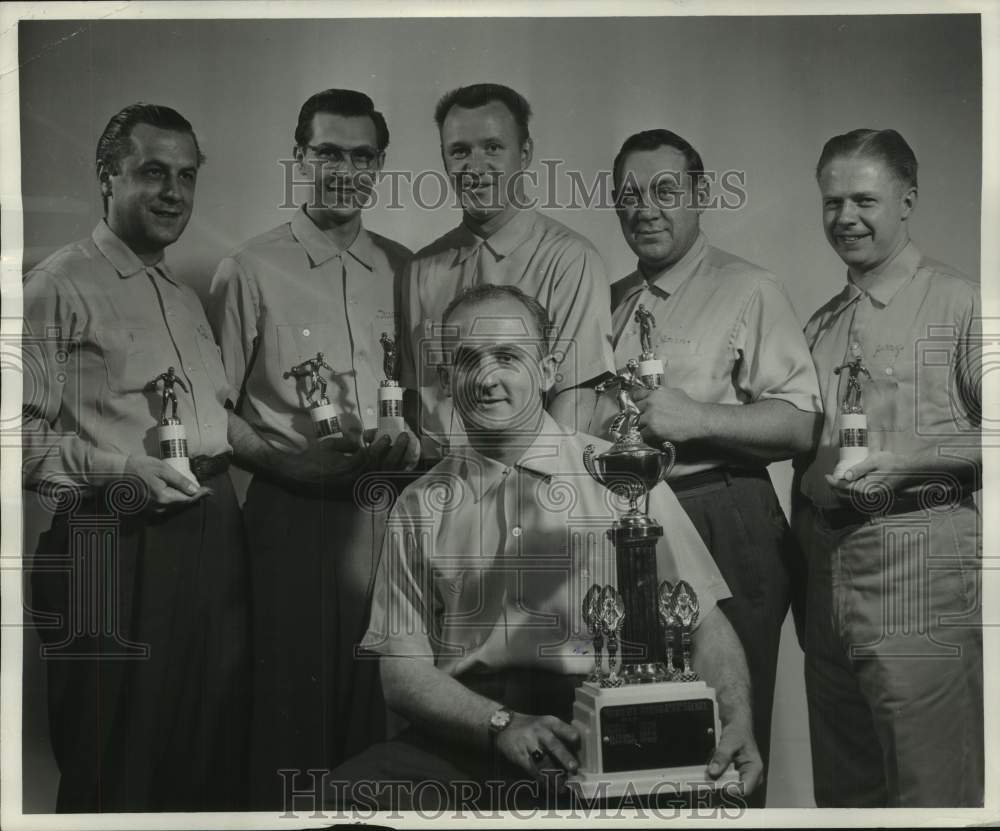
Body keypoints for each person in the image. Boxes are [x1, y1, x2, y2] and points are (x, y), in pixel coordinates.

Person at [327, 284, 763, 811]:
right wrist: (500, 725)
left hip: (603, 726)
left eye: (509, 357)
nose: (487, 378)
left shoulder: (622, 476)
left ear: (549, 369)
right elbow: (403, 675)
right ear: (445, 379)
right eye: (467, 361)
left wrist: (737, 719)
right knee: (342, 804)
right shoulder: (420, 505)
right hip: (473, 730)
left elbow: (706, 626)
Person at [22, 103, 250, 811]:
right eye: (153, 171)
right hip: (105, 541)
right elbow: (11, 436)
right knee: (111, 760)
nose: (173, 192)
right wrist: (122, 471)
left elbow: (218, 424)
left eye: (185, 175)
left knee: (204, 750)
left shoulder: (182, 297)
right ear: (106, 177)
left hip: (207, 536)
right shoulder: (58, 285)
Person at [589, 129, 822, 805]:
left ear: (700, 195)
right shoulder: (607, 303)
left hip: (724, 513)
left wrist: (701, 418)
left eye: (665, 190)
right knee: (640, 731)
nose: (646, 209)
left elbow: (802, 421)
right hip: (632, 529)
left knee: (726, 726)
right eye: (629, 195)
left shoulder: (748, 288)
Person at [208, 88, 418, 809]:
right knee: (288, 717)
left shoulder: (407, 269)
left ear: (381, 165)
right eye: (328, 151)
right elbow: (212, 414)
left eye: (362, 156)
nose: (344, 169)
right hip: (291, 515)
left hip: (389, 512)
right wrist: (291, 462)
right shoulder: (250, 269)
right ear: (300, 156)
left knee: (385, 707)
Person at [795, 128, 982, 807]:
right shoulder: (819, 325)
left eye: (865, 200)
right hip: (831, 575)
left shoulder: (961, 303)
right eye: (832, 201)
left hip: (919, 569)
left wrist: (909, 463)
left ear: (908, 201)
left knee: (930, 791)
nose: (846, 218)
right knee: (845, 793)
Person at [396, 83, 614, 458]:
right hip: (441, 484)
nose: (476, 167)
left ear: (525, 153)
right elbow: (418, 395)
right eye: (460, 151)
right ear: (444, 159)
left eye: (493, 147)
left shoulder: (571, 260)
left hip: (529, 488)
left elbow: (576, 400)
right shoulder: (419, 269)